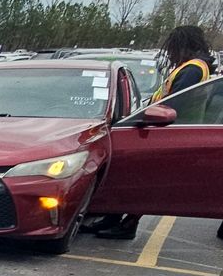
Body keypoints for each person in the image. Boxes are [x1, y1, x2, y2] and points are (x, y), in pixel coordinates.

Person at [90, 25, 214, 240]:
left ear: (183, 46)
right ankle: (113, 217)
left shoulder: (193, 69)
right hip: (163, 130)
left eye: (173, 49)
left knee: (145, 180)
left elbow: (175, 102)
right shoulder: (193, 66)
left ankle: (129, 224)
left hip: (169, 133)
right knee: (132, 177)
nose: (171, 55)